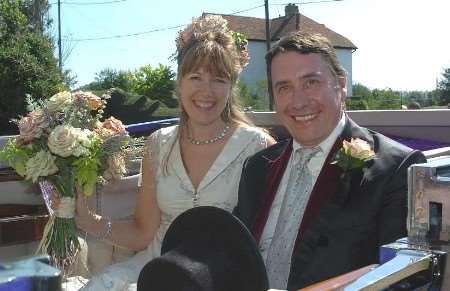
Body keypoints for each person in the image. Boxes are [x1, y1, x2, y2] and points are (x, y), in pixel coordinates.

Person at [73, 15, 275, 290]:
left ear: (230, 87)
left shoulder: (258, 147)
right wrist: (91, 222)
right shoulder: (158, 145)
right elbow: (144, 233)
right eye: (195, 77)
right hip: (158, 265)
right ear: (179, 84)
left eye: (218, 79)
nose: (206, 91)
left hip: (221, 275)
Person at [233, 32, 426, 290]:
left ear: (341, 84)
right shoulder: (258, 166)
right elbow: (233, 253)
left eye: (311, 82)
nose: (298, 101)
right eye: (284, 87)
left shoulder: (396, 169)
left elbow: (404, 279)